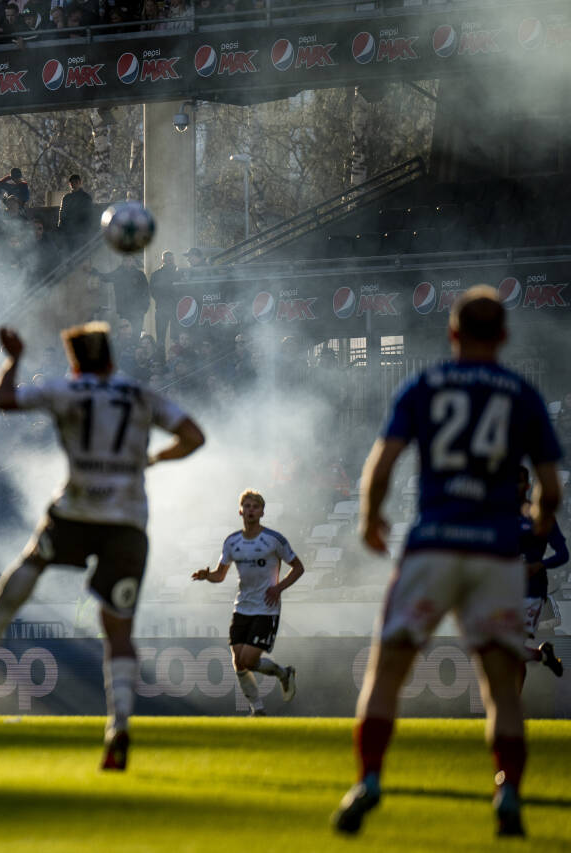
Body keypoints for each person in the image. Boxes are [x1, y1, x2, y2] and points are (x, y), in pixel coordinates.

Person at [333, 286, 562, 838]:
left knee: (387, 670)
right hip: (496, 553)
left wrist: (369, 517)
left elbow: (382, 461)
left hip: (432, 544)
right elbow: (550, 487)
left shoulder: (425, 385)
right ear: (504, 336)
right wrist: (536, 520)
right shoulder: (522, 393)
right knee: (501, 686)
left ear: (453, 333)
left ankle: (369, 780)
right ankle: (507, 791)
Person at [0, 322, 205, 770]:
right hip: (128, 521)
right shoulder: (140, 394)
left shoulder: (66, 391)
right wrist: (153, 458)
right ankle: (118, 725)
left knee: (35, 559)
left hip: (76, 509)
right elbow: (194, 437)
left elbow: (2, 400)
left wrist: (14, 360)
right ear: (112, 359)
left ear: (75, 365)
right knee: (118, 632)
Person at [191, 490, 303, 715]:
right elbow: (220, 575)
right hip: (242, 607)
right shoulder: (232, 542)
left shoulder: (274, 539)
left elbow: (298, 567)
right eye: (247, 506)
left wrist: (279, 588)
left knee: (249, 660)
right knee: (238, 662)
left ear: (262, 512)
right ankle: (258, 710)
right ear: (240, 511)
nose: (251, 510)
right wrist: (207, 575)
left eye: (255, 507)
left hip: (266, 608)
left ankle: (284, 673)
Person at [516, 465, 566, 689]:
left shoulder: (540, 515)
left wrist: (539, 564)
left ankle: (510, 706)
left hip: (531, 590)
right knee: (504, 648)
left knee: (512, 646)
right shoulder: (496, 516)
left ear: (527, 485)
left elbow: (563, 554)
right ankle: (542, 655)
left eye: (517, 481)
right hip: (500, 587)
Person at [57, 174, 96, 245]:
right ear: (70, 184)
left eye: (76, 182)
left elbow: (90, 215)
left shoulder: (86, 197)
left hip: (82, 232)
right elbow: (62, 214)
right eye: (72, 183)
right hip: (68, 232)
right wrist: (60, 228)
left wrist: (86, 230)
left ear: (80, 183)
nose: (74, 184)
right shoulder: (66, 197)